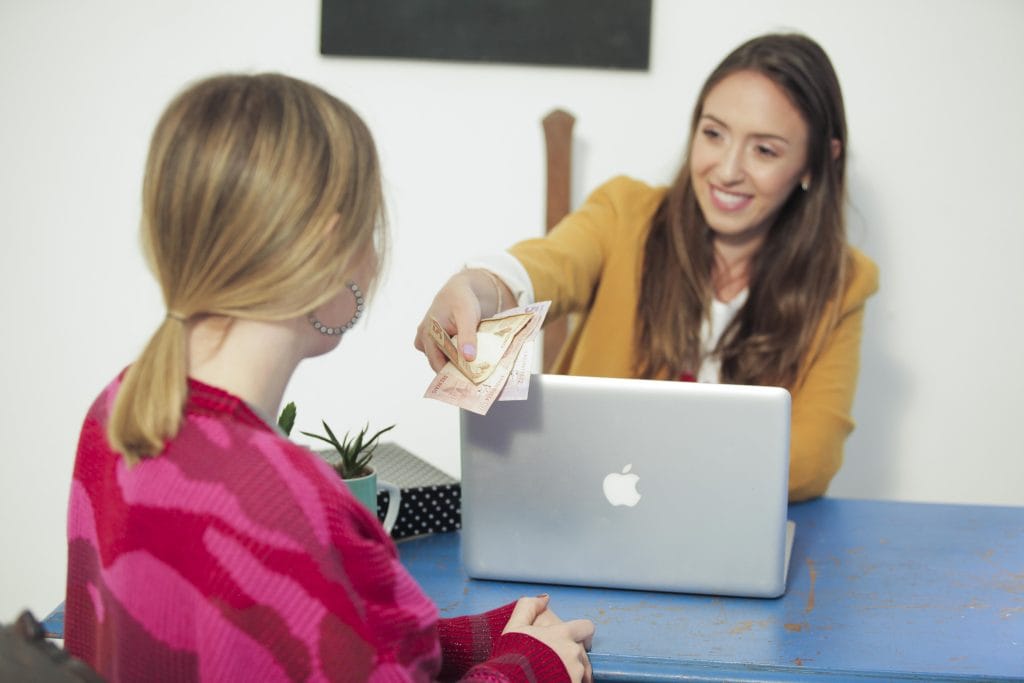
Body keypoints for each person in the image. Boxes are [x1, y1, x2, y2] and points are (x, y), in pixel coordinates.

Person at [65, 73, 594, 682]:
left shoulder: (116, 411)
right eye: (366, 231)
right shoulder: (294, 510)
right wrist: (533, 667)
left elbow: (303, 638)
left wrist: (483, 636)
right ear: (326, 250)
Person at [415, 33, 879, 502]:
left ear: (817, 162)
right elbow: (548, 264)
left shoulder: (842, 283)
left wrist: (653, 465)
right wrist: (480, 286)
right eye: (713, 133)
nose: (727, 169)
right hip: (585, 513)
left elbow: (809, 463)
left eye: (765, 150)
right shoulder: (626, 214)